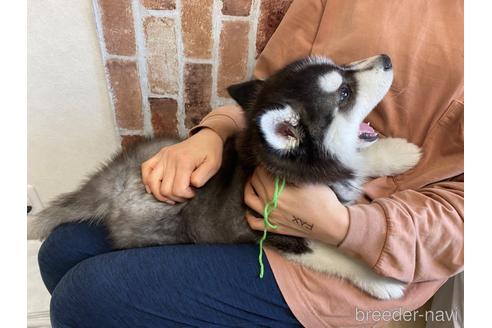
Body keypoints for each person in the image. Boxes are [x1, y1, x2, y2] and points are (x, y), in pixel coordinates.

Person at [38, 0, 464, 326]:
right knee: (61, 249)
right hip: (268, 179)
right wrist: (212, 132)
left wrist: (346, 227)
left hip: (375, 252)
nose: (375, 66)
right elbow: (271, 90)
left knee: (84, 299)